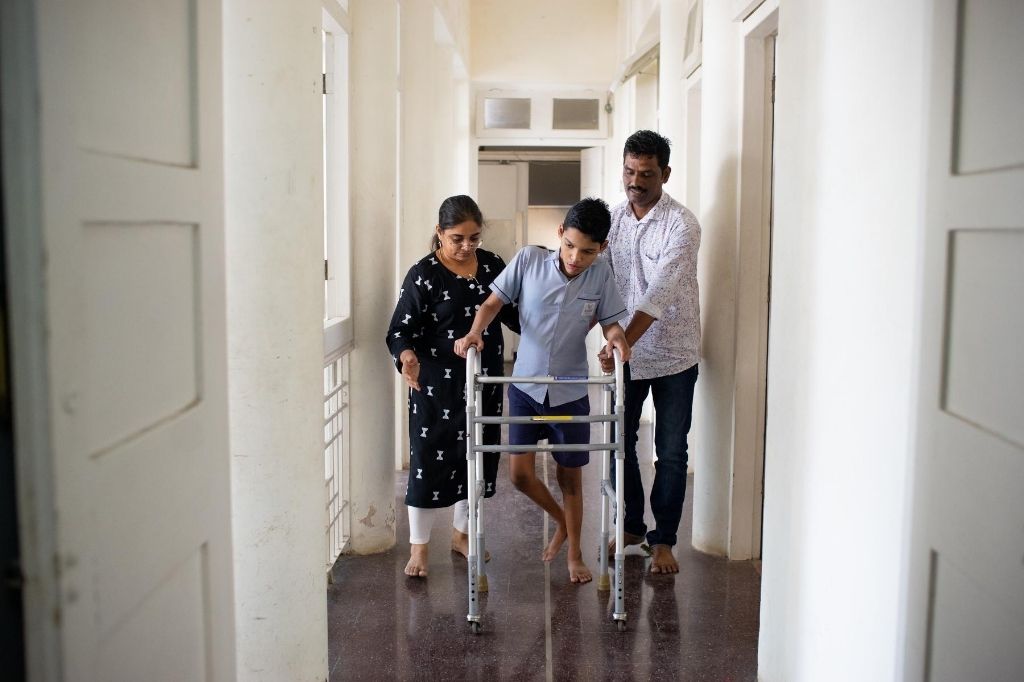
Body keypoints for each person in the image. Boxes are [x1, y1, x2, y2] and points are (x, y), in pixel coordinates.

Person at [455, 197, 631, 584]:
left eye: (587, 251)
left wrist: (618, 340)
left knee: (570, 479)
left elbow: (612, 325)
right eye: (569, 245)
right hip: (524, 387)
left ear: (601, 248)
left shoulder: (601, 275)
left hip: (571, 390)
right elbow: (492, 303)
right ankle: (562, 522)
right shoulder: (529, 261)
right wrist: (474, 333)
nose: (575, 257)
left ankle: (575, 555)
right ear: (559, 235)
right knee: (519, 474)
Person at [386, 195, 520, 578]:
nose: (466, 246)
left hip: (485, 381)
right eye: (457, 238)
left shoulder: (493, 264)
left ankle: (462, 535)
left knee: (475, 460)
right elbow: (399, 330)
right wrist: (406, 356)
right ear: (439, 233)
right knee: (428, 462)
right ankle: (419, 548)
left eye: (474, 238)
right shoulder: (423, 274)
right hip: (435, 388)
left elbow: (516, 315)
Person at [599, 129, 701, 574]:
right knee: (618, 443)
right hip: (627, 352)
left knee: (671, 450)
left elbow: (659, 293)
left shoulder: (683, 224)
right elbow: (598, 284)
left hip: (675, 354)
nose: (635, 181)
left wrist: (621, 340)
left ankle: (663, 540)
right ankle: (633, 525)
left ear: (665, 173)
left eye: (646, 173)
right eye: (629, 171)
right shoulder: (613, 221)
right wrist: (610, 338)